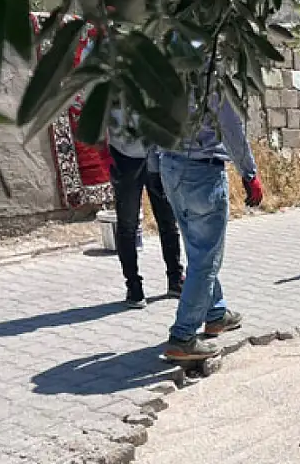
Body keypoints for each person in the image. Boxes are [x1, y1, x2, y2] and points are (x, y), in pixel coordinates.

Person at [159, 94, 264, 362]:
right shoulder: (209, 70)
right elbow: (230, 126)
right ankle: (183, 336)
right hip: (202, 172)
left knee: (198, 249)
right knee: (205, 259)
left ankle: (216, 314)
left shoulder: (162, 65)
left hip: (170, 166)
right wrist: (249, 173)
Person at [109, 117, 185, 308]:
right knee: (128, 224)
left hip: (157, 155)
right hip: (124, 157)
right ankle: (134, 287)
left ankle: (176, 279)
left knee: (168, 220)